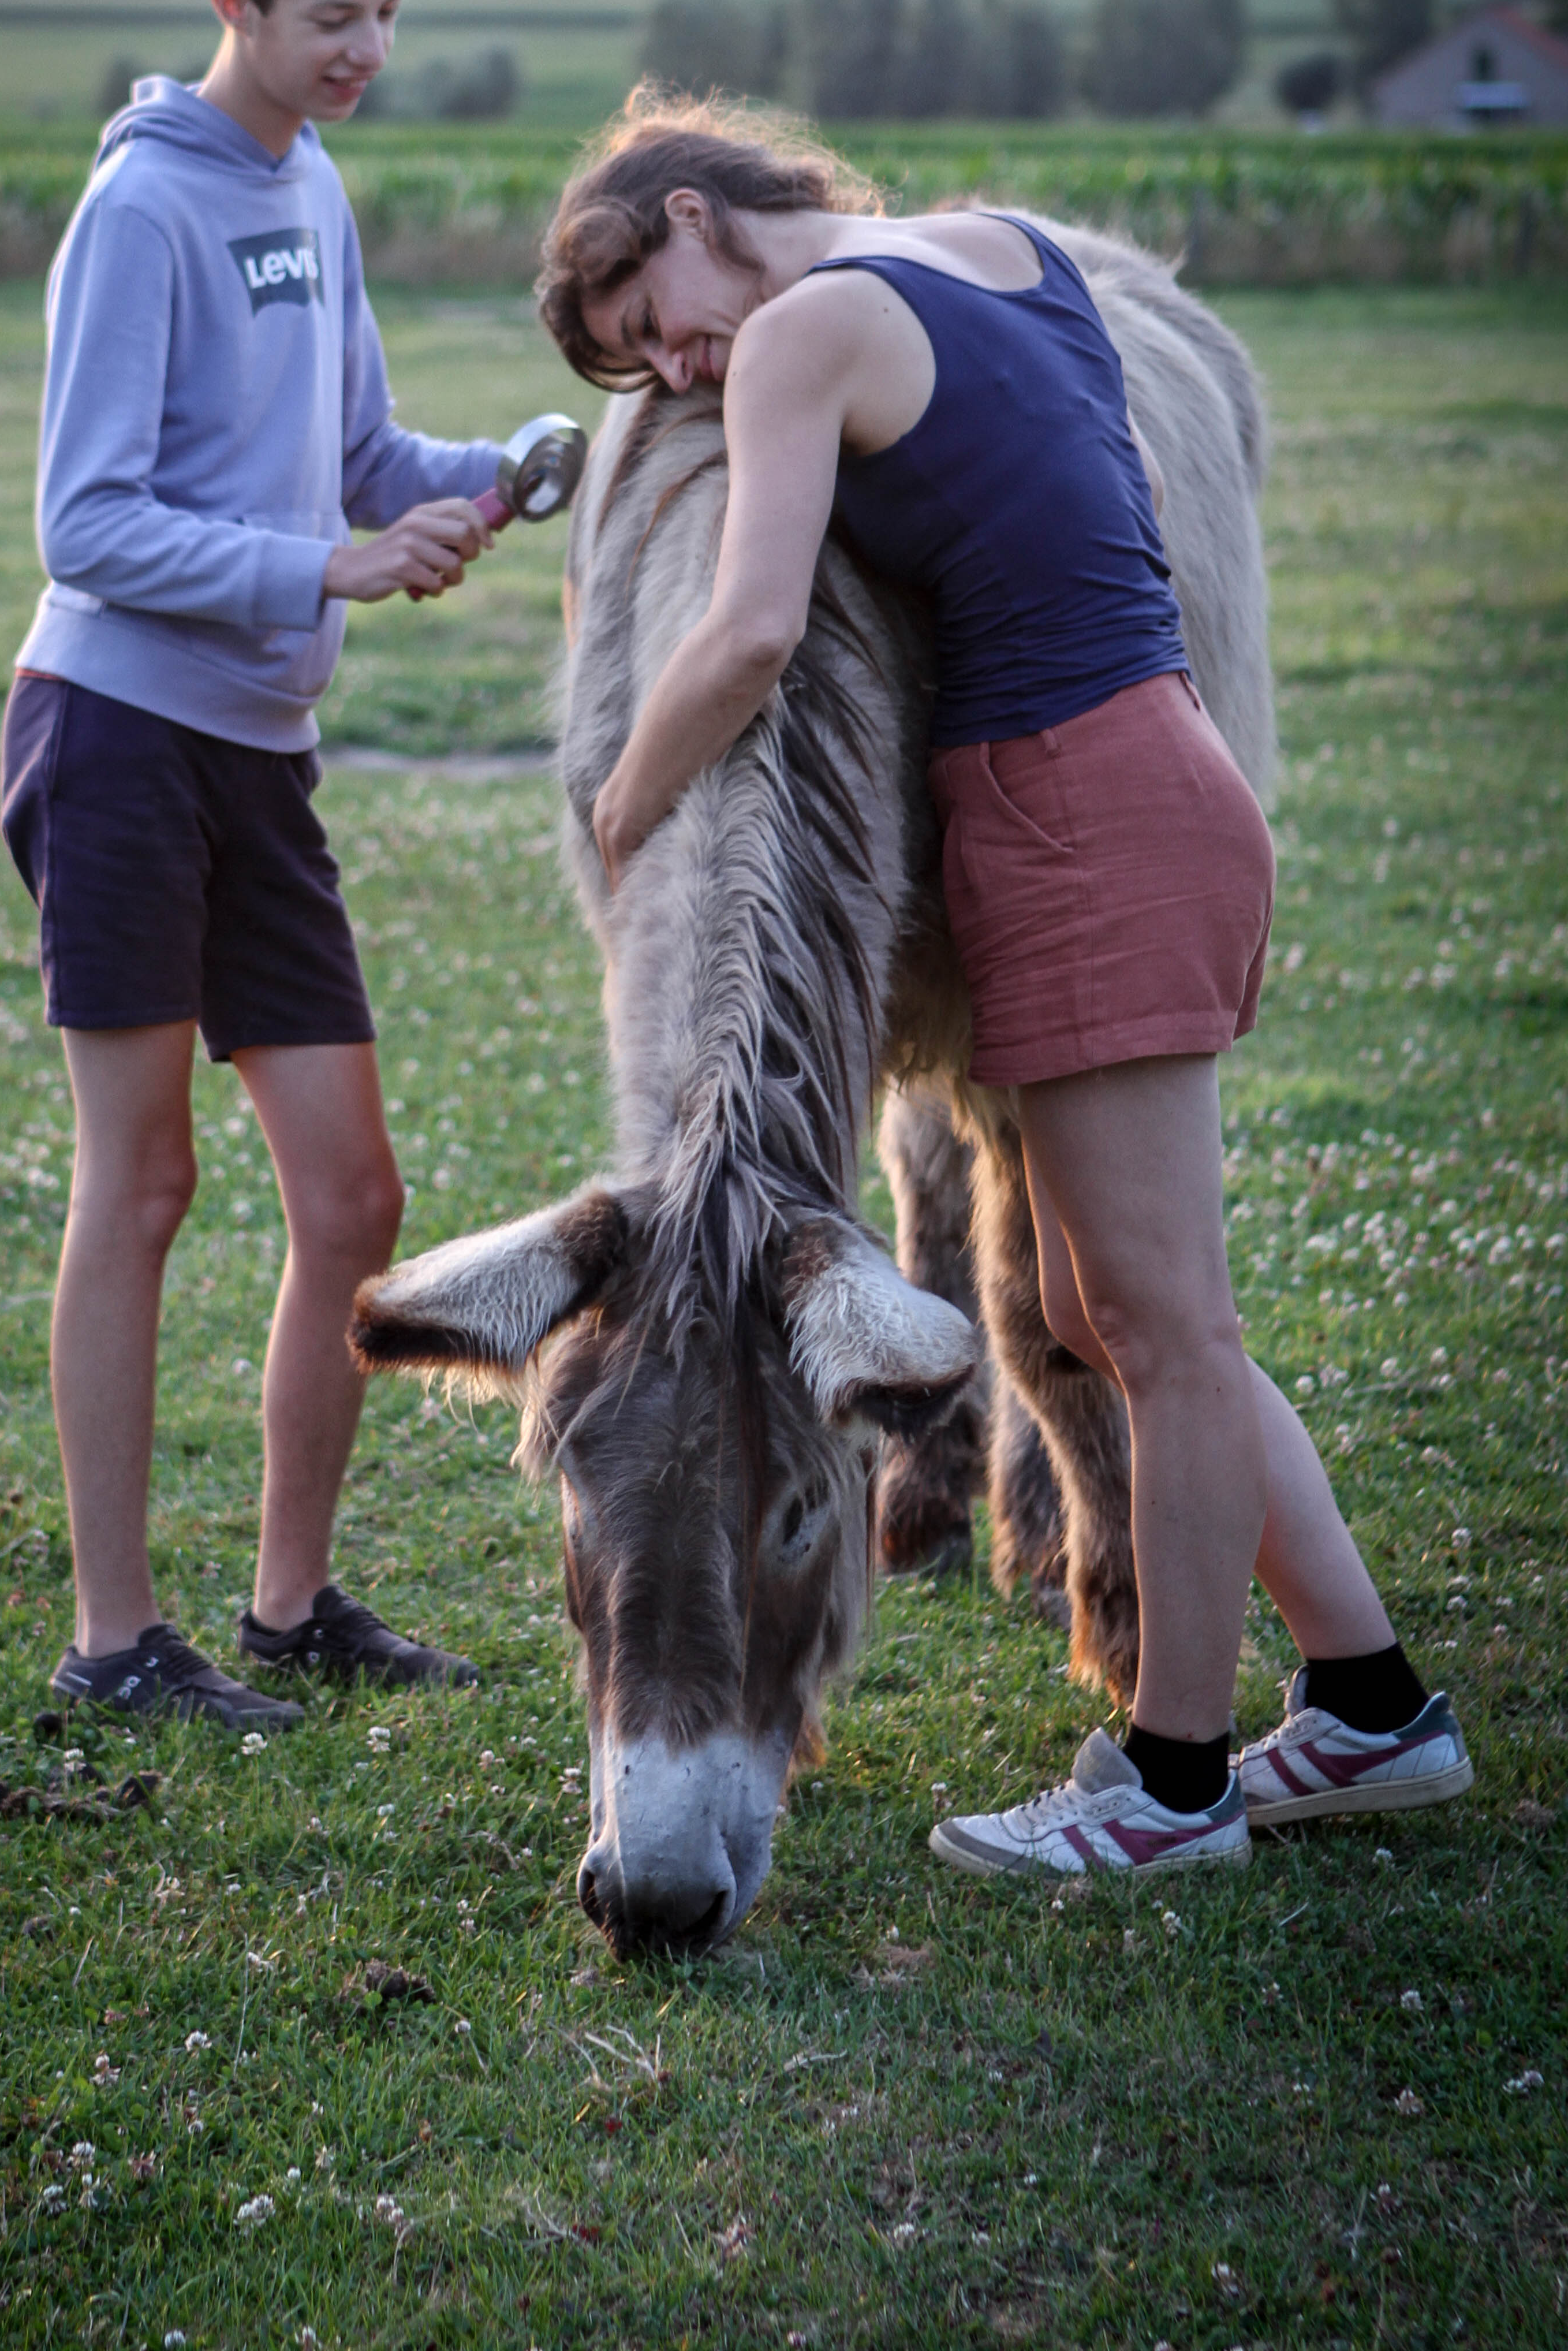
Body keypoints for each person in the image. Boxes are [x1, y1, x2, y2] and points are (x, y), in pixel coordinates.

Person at [533, 92, 1471, 1877]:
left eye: (658, 329)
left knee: (1163, 1329)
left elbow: (747, 630)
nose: (679, 370)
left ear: (687, 208)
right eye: (643, 370)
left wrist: (628, 795)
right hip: (1142, 779)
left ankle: (1174, 1783)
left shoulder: (800, 329)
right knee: (1104, 1304)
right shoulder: (991, 251)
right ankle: (1369, 1703)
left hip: (1080, 821)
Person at [1, 0, 505, 1733]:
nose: (361, 51)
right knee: (141, 1188)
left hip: (258, 755)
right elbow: (89, 519)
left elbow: (367, 451)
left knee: (352, 1199)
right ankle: (117, 1640)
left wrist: (514, 463)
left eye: (382, 14)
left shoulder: (315, 190)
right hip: (118, 736)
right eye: (326, 18)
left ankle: (291, 1612)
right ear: (231, 3)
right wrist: (324, 567)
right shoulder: (145, 207)